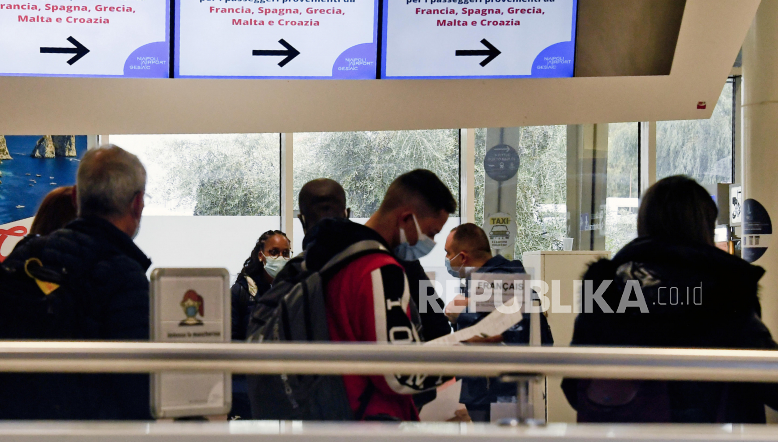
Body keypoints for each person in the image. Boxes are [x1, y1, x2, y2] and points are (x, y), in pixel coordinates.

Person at [562, 175, 778, 423]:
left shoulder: (608, 286)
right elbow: (770, 381)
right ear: (705, 224)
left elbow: (575, 388)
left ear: (644, 222)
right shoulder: (728, 287)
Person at [0, 145, 152, 420]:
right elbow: (138, 388)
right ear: (137, 204)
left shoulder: (24, 257)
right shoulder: (125, 277)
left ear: (77, 198)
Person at [302, 169, 456, 421]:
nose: (431, 243)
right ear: (407, 218)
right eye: (431, 233)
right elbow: (398, 373)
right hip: (373, 420)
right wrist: (464, 356)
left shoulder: (332, 257)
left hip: (335, 415)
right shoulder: (380, 269)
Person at [443, 223, 553, 422]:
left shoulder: (503, 280)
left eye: (448, 253)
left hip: (500, 396)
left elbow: (518, 335)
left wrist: (464, 314)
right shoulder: (484, 281)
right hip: (489, 395)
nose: (446, 260)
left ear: (463, 257)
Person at [231, 230, 292, 341]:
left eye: (286, 253)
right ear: (261, 255)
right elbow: (231, 338)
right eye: (274, 252)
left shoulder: (293, 289)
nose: (281, 258)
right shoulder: (241, 291)